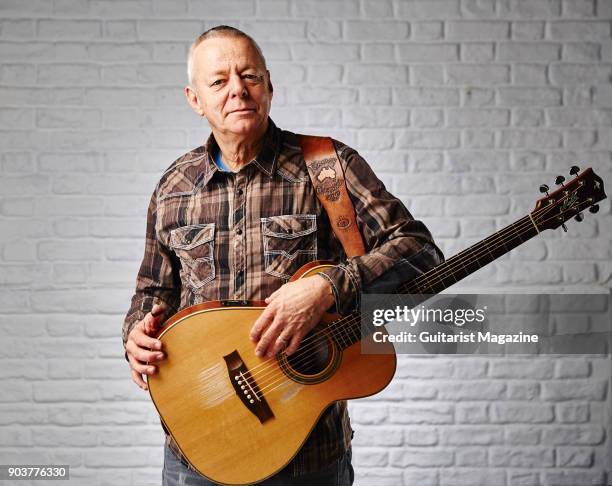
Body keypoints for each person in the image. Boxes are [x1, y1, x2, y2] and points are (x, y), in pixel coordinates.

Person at [122, 25, 443, 486]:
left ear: (269, 85)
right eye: (219, 81)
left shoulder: (328, 167)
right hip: (197, 449)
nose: (238, 89)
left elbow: (420, 252)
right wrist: (135, 332)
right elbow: (152, 291)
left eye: (249, 75)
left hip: (308, 458)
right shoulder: (172, 187)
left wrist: (327, 287)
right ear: (195, 99)